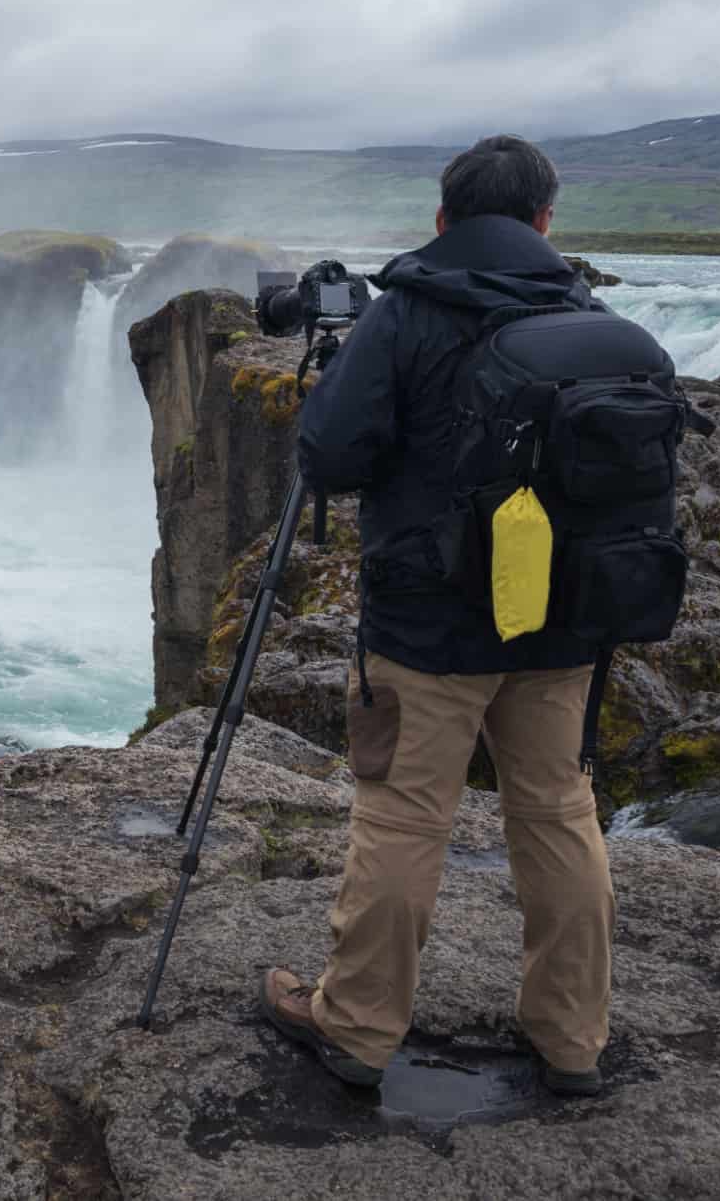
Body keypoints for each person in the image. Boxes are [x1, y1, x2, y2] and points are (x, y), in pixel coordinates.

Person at [257, 135, 613, 1097]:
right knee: (559, 815)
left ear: (444, 219)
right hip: (561, 621)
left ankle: (359, 1029)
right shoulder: (587, 313)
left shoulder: (409, 312)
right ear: (546, 221)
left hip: (429, 625)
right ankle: (573, 1039)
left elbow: (329, 457)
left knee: (406, 817)